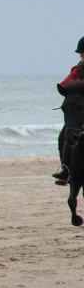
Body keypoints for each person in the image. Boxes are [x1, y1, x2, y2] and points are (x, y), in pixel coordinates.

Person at [53, 36, 84, 185]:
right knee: (63, 136)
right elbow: (67, 82)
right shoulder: (78, 69)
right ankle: (66, 170)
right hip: (80, 113)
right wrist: (64, 88)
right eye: (81, 54)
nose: (83, 57)